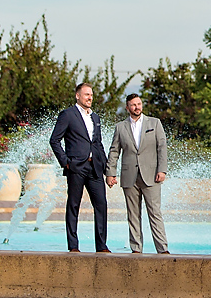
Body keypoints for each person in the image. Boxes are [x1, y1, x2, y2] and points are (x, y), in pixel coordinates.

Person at [49, 83, 111, 253]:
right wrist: (65, 161)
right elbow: (54, 140)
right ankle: (73, 246)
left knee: (101, 205)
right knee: (73, 205)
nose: (89, 98)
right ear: (78, 96)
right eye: (86, 95)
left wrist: (108, 170)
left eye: (91, 95)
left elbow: (98, 144)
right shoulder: (68, 115)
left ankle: (101, 246)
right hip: (76, 167)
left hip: (95, 168)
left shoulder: (95, 118)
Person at [105, 93, 169, 254]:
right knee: (133, 214)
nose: (137, 107)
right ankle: (136, 249)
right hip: (129, 176)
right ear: (127, 108)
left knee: (155, 213)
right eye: (133, 105)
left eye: (139, 104)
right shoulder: (120, 127)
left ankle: (162, 249)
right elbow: (114, 151)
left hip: (151, 176)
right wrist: (110, 173)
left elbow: (162, 148)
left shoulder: (154, 123)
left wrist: (162, 169)